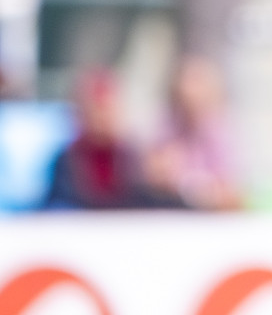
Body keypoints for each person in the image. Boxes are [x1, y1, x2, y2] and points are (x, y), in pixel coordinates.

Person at [42, 67, 172, 210]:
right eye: (98, 109)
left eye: (109, 108)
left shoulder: (134, 158)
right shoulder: (67, 161)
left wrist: (160, 187)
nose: (104, 117)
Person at [144, 55, 243, 211]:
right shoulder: (167, 126)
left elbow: (233, 194)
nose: (191, 105)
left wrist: (205, 192)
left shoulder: (221, 132)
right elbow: (152, 176)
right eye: (184, 100)